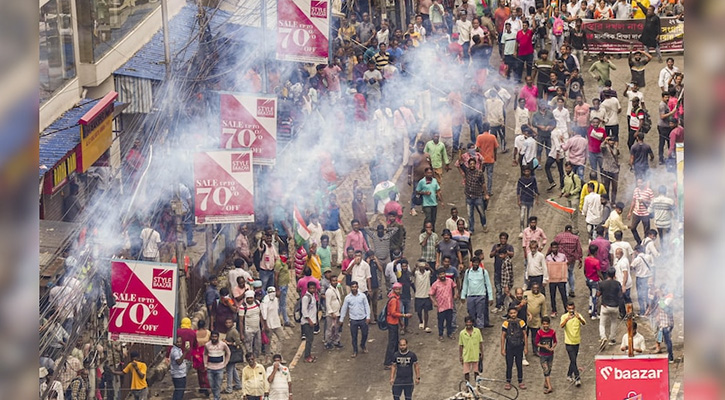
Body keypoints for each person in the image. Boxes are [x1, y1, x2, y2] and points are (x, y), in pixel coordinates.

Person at [461, 256, 494, 329]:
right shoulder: (468, 272)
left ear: (479, 263)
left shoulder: (483, 272)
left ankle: (479, 329)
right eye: (474, 262)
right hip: (470, 296)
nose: (475, 264)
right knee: (471, 313)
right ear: (472, 263)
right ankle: (473, 327)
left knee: (480, 314)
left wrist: (490, 298)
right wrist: (463, 296)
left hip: (481, 296)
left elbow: (488, 285)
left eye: (477, 263)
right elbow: (465, 284)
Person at [385, 282, 412, 369]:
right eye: (396, 289)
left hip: (394, 322)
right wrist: (404, 316)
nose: (398, 290)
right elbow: (393, 313)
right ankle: (388, 362)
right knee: (392, 343)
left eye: (399, 289)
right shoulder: (393, 300)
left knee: (395, 342)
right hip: (392, 323)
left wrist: (400, 322)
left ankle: (394, 360)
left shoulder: (395, 298)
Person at [340, 281, 371, 357]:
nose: (354, 288)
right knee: (354, 336)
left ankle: (362, 345)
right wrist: (341, 319)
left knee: (365, 334)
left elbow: (367, 306)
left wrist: (368, 317)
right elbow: (344, 308)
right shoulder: (347, 298)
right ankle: (355, 350)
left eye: (355, 287)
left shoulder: (362, 296)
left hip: (362, 318)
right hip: (353, 319)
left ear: (357, 287)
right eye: (352, 287)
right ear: (350, 288)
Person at [501, 306, 528, 390]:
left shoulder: (521, 322)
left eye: (514, 313)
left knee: (519, 364)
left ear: (517, 313)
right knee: (509, 364)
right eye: (511, 313)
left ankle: (520, 381)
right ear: (508, 314)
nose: (513, 315)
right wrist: (502, 348)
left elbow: (525, 335)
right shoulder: (506, 323)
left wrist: (526, 347)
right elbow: (503, 336)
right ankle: (508, 381)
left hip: (519, 346)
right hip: (509, 346)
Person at [560, 301, 585, 386]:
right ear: (567, 309)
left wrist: (579, 318)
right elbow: (561, 325)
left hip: (577, 341)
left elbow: (584, 323)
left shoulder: (578, 315)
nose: (571, 310)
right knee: (573, 360)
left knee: (573, 360)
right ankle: (577, 377)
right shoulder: (564, 316)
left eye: (572, 308)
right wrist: (567, 319)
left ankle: (569, 374)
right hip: (568, 342)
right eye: (569, 309)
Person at [597, 268, 622, 349]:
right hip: (615, 306)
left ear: (607, 274)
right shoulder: (617, 283)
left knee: (602, 324)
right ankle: (612, 338)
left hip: (605, 306)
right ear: (614, 275)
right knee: (614, 322)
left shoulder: (602, 283)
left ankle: (603, 337)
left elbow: (598, 294)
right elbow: (620, 294)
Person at [490, 232, 515, 312]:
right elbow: (490, 255)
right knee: (498, 290)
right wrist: (496, 250)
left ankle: (503, 304)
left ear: (507, 239)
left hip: (506, 272)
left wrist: (506, 252)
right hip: (497, 271)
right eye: (501, 238)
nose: (503, 240)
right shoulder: (496, 246)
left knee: (506, 290)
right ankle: (498, 305)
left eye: (504, 238)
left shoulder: (509, 247)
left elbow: (512, 254)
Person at [430, 268, 457, 340]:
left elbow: (454, 287)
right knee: (441, 321)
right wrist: (434, 302)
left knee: (449, 320)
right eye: (440, 274)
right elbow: (431, 294)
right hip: (441, 306)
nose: (442, 275)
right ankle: (441, 334)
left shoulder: (450, 281)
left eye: (443, 273)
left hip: (449, 305)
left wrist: (455, 294)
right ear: (438, 275)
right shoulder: (435, 284)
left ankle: (449, 333)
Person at [546, 241, 569, 316]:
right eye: (553, 247)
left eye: (556, 247)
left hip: (561, 279)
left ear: (558, 248)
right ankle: (554, 310)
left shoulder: (563, 256)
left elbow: (566, 264)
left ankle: (566, 309)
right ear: (551, 248)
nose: (554, 249)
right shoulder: (548, 257)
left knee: (563, 295)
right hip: (552, 279)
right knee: (552, 295)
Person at [628, 178, 654, 245]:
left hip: (645, 213)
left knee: (646, 231)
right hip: (636, 213)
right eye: (638, 183)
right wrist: (630, 212)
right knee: (633, 228)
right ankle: (639, 242)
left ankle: (645, 244)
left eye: (641, 183)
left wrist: (644, 201)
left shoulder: (649, 191)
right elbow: (633, 201)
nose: (639, 184)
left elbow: (653, 202)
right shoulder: (636, 190)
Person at [535, 316, 557, 394]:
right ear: (542, 324)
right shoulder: (539, 333)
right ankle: (550, 387)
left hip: (550, 354)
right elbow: (536, 343)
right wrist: (544, 346)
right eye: (544, 324)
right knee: (546, 370)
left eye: (547, 324)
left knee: (549, 369)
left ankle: (546, 383)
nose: (545, 326)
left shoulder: (552, 332)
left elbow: (555, 341)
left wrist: (552, 347)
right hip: (543, 354)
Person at [459, 316, 485, 382]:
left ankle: (478, 386)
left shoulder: (477, 331)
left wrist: (482, 353)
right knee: (466, 372)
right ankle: (468, 386)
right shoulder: (462, 333)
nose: (468, 324)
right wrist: (460, 356)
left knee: (476, 372)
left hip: (475, 354)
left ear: (472, 323)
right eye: (467, 322)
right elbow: (461, 345)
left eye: (470, 322)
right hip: (466, 355)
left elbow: (480, 343)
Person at [260, 287, 284, 359]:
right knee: (268, 341)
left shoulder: (276, 300)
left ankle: (278, 354)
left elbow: (276, 310)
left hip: (276, 322)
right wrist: (265, 325)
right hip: (269, 324)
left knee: (281, 337)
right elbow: (263, 315)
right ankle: (267, 356)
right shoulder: (265, 302)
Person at [630, 245, 654, 315]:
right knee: (647, 294)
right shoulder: (649, 257)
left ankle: (642, 311)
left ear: (637, 251)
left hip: (640, 278)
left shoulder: (637, 259)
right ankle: (648, 310)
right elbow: (652, 266)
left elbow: (631, 267)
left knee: (640, 295)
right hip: (648, 277)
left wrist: (633, 257)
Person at [222, 319, 243, 393]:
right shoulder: (229, 331)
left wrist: (228, 343)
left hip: (233, 352)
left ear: (232, 323)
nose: (228, 324)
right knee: (233, 369)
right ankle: (238, 384)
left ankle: (229, 388)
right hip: (230, 352)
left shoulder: (233, 331)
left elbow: (238, 342)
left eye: (229, 322)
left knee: (229, 370)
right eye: (226, 323)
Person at [240, 289, 262, 358]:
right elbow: (241, 321)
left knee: (258, 344)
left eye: (251, 298)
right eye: (248, 298)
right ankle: (250, 358)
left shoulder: (257, 303)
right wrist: (241, 334)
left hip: (257, 328)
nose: (249, 300)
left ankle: (256, 356)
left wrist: (263, 325)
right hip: (248, 330)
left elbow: (260, 315)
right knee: (248, 345)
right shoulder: (243, 307)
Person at [517, 167, 539, 234]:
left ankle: (527, 230)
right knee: (522, 216)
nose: (527, 173)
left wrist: (537, 199)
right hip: (523, 199)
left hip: (530, 200)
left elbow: (536, 189)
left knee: (529, 217)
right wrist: (518, 200)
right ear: (523, 172)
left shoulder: (533, 179)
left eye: (528, 171)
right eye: (525, 171)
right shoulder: (521, 180)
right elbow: (518, 190)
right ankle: (521, 230)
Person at [301, 281, 318, 363]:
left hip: (312, 320)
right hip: (307, 322)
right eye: (311, 288)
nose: (312, 289)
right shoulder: (306, 298)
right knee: (309, 339)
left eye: (313, 288)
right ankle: (306, 356)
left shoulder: (313, 296)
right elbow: (304, 310)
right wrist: (310, 320)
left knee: (311, 339)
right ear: (308, 288)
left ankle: (309, 354)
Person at [324, 274, 343, 349]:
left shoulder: (336, 289)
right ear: (330, 282)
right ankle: (328, 342)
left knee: (337, 328)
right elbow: (327, 303)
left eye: (336, 281)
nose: (335, 282)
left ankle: (336, 341)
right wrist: (331, 313)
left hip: (337, 312)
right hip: (331, 314)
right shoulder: (329, 291)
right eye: (333, 281)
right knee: (329, 329)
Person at [584, 244, 603, 319]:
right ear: (596, 252)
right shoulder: (596, 261)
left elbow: (585, 270)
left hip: (588, 279)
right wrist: (603, 279)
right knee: (595, 297)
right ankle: (593, 314)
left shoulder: (586, 259)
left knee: (591, 294)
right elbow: (598, 272)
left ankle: (590, 308)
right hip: (594, 280)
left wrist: (586, 277)